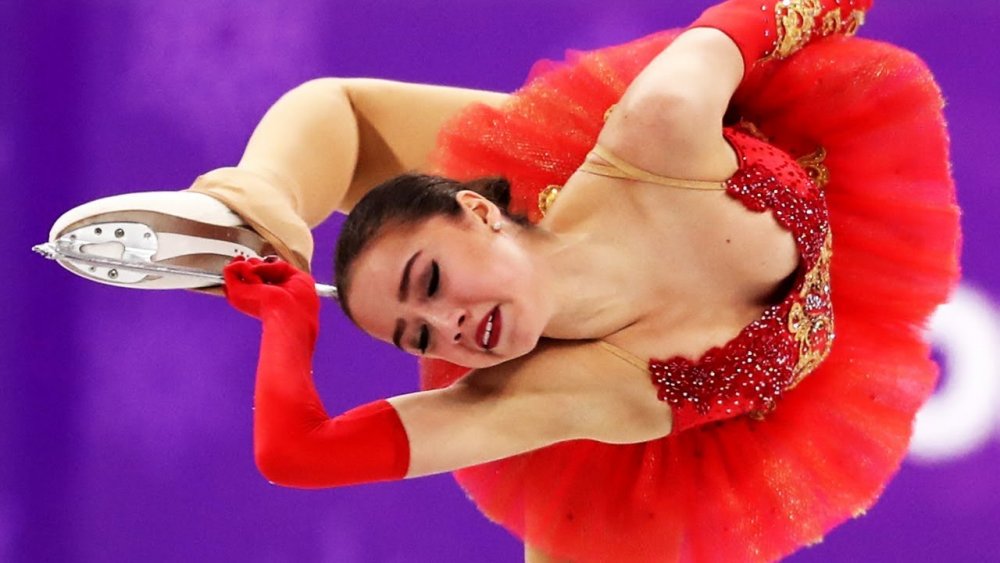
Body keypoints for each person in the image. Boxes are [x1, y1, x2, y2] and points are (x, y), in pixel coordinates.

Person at [47, 1, 960, 561]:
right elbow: (298, 454)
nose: (449, 328)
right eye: (418, 335)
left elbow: (775, 10)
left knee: (348, 120)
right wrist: (289, 327)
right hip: (668, 444)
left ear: (478, 214)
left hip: (612, 184)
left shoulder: (657, 125)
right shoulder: (547, 392)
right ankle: (256, 219)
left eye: (431, 282)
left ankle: (255, 201)